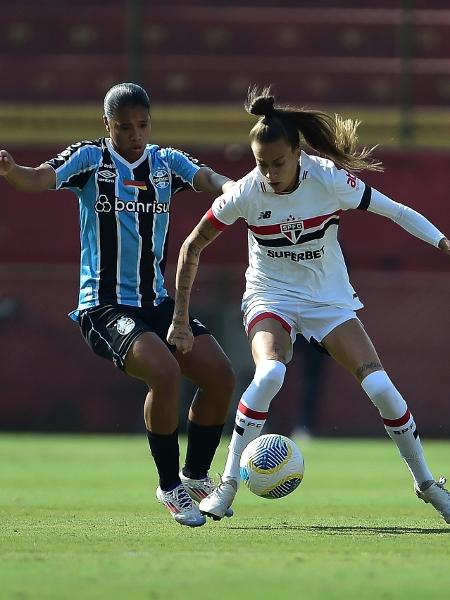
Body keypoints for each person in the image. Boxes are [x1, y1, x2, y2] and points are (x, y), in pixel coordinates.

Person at [167, 86, 450, 524]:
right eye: (261, 163)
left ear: (297, 153)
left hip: (327, 300)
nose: (270, 172)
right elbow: (191, 246)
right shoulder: (245, 192)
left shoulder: (329, 180)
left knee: (380, 388)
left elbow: (395, 211)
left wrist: (442, 241)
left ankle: (428, 485)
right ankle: (226, 486)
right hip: (270, 295)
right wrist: (180, 318)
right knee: (271, 373)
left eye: (278, 162)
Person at [0, 82, 236, 527]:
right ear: (106, 124)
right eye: (124, 126)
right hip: (105, 307)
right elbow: (35, 178)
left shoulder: (166, 162)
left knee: (220, 377)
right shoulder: (90, 159)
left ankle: (196, 476)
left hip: (156, 301)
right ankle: (170, 488)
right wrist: (11, 169)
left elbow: (212, 181)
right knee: (164, 372)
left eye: (142, 125)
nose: (135, 134)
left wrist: (243, 190)